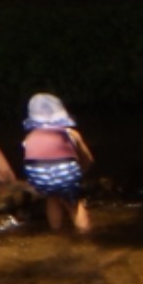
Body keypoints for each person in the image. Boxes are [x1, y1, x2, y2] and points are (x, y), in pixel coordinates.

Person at [21, 93, 94, 234]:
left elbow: (28, 159)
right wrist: (80, 174)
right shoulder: (70, 133)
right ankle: (85, 235)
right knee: (74, 203)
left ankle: (56, 232)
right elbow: (88, 158)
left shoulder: (29, 137)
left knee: (52, 196)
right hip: (66, 172)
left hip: (38, 175)